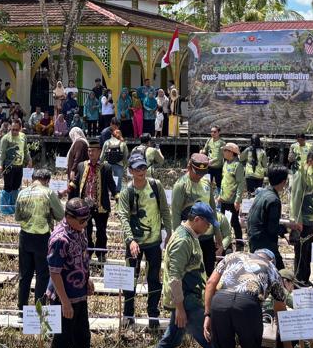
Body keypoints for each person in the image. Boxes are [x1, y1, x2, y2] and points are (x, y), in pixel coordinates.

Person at [141, 203, 217, 348]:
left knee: (172, 338)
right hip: (187, 300)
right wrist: (180, 308)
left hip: (188, 298)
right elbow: (174, 278)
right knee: (210, 338)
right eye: (207, 223)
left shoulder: (190, 236)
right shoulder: (183, 240)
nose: (209, 228)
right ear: (197, 220)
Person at [47, 197, 96, 348]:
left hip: (79, 293)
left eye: (86, 220)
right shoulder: (60, 239)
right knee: (62, 337)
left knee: (82, 333)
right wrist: (65, 302)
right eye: (81, 220)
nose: (84, 224)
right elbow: (55, 272)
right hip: (64, 296)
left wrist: (87, 279)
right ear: (68, 216)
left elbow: (83, 258)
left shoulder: (79, 231)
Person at [117, 154, 167, 329]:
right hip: (134, 243)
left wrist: (168, 232)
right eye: (137, 169)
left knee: (154, 279)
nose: (141, 172)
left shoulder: (155, 185)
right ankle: (128, 314)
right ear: (130, 171)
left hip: (153, 241)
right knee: (130, 279)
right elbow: (123, 216)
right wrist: (130, 240)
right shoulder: (126, 192)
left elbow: (164, 210)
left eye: (144, 168)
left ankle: (153, 314)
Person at [15, 167, 64, 309]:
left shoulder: (22, 193)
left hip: (25, 236)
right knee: (42, 274)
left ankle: (21, 307)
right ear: (47, 180)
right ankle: (39, 307)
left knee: (24, 274)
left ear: (33, 179)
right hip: (42, 237)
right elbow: (60, 215)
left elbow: (17, 217)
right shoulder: (48, 193)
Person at [172, 153, 219, 274]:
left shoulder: (206, 183)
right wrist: (178, 237)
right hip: (190, 237)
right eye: (197, 172)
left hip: (207, 235)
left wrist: (217, 232)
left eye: (203, 173)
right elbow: (176, 213)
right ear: (189, 167)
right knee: (191, 271)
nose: (200, 176)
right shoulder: (181, 185)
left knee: (208, 270)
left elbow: (212, 207)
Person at [72, 140, 115, 258]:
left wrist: (117, 196)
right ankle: (88, 252)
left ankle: (101, 253)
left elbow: (111, 184)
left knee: (101, 232)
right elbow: (76, 181)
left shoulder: (106, 167)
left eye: (93, 151)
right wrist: (67, 190)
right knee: (86, 231)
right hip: (85, 206)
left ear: (99, 152)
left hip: (100, 205)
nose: (91, 153)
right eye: (89, 151)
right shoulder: (82, 166)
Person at [288, 146, 313, 285]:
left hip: (311, 218)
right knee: (301, 251)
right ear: (311, 160)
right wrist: (297, 220)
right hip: (303, 219)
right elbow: (296, 198)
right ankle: (299, 280)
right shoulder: (301, 174)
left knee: (308, 250)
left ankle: (306, 278)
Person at [245, 166, 288, 266]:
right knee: (280, 272)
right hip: (264, 243)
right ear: (284, 182)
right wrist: (286, 232)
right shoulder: (274, 200)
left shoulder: (262, 193)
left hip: (253, 239)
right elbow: (272, 228)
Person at [0, 117, 31, 212]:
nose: (14, 131)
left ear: (20, 128)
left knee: (16, 186)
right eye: (12, 129)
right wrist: (0, 165)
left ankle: (14, 206)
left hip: (19, 166)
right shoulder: (5, 138)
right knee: (8, 187)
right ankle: (4, 208)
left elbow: (25, 150)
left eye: (16, 129)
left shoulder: (23, 136)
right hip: (8, 166)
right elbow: (2, 153)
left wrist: (29, 160)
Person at [217, 142, 246, 242]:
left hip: (232, 200)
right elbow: (224, 181)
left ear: (231, 152)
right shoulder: (225, 163)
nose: (223, 152)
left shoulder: (238, 166)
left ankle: (239, 242)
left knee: (234, 222)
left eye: (225, 150)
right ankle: (225, 242)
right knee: (223, 222)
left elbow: (240, 184)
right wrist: (220, 195)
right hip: (224, 199)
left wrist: (237, 200)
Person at [102, 124, 128, 191]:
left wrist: (102, 164)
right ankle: (117, 196)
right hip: (119, 165)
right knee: (118, 184)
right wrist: (125, 166)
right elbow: (126, 156)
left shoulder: (107, 142)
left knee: (108, 181)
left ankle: (109, 195)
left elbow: (102, 156)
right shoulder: (123, 143)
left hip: (108, 165)